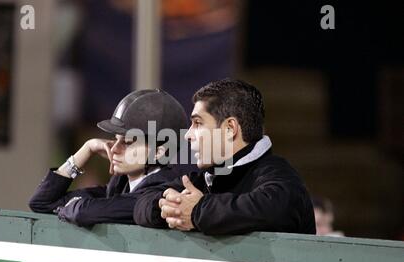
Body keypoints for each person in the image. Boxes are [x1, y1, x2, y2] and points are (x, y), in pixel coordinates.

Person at [133, 79, 316, 235]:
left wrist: (197, 212)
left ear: (230, 128)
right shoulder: (205, 178)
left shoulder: (279, 174)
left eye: (198, 123)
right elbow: (142, 201)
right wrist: (170, 208)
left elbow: (275, 210)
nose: (188, 134)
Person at [29, 89, 191, 227]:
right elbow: (41, 202)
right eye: (115, 139)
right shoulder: (119, 186)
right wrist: (88, 148)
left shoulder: (164, 190)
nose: (114, 149)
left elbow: (84, 212)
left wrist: (69, 208)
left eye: (127, 142)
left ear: (158, 152)